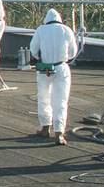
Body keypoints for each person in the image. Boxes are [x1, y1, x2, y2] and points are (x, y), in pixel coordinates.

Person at [29, 9, 77, 145]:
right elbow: (73, 52)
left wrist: (40, 58)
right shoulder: (66, 30)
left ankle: (45, 127)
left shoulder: (41, 30)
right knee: (60, 100)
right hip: (61, 67)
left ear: (46, 19)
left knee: (44, 97)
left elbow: (33, 49)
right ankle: (59, 133)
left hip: (45, 67)